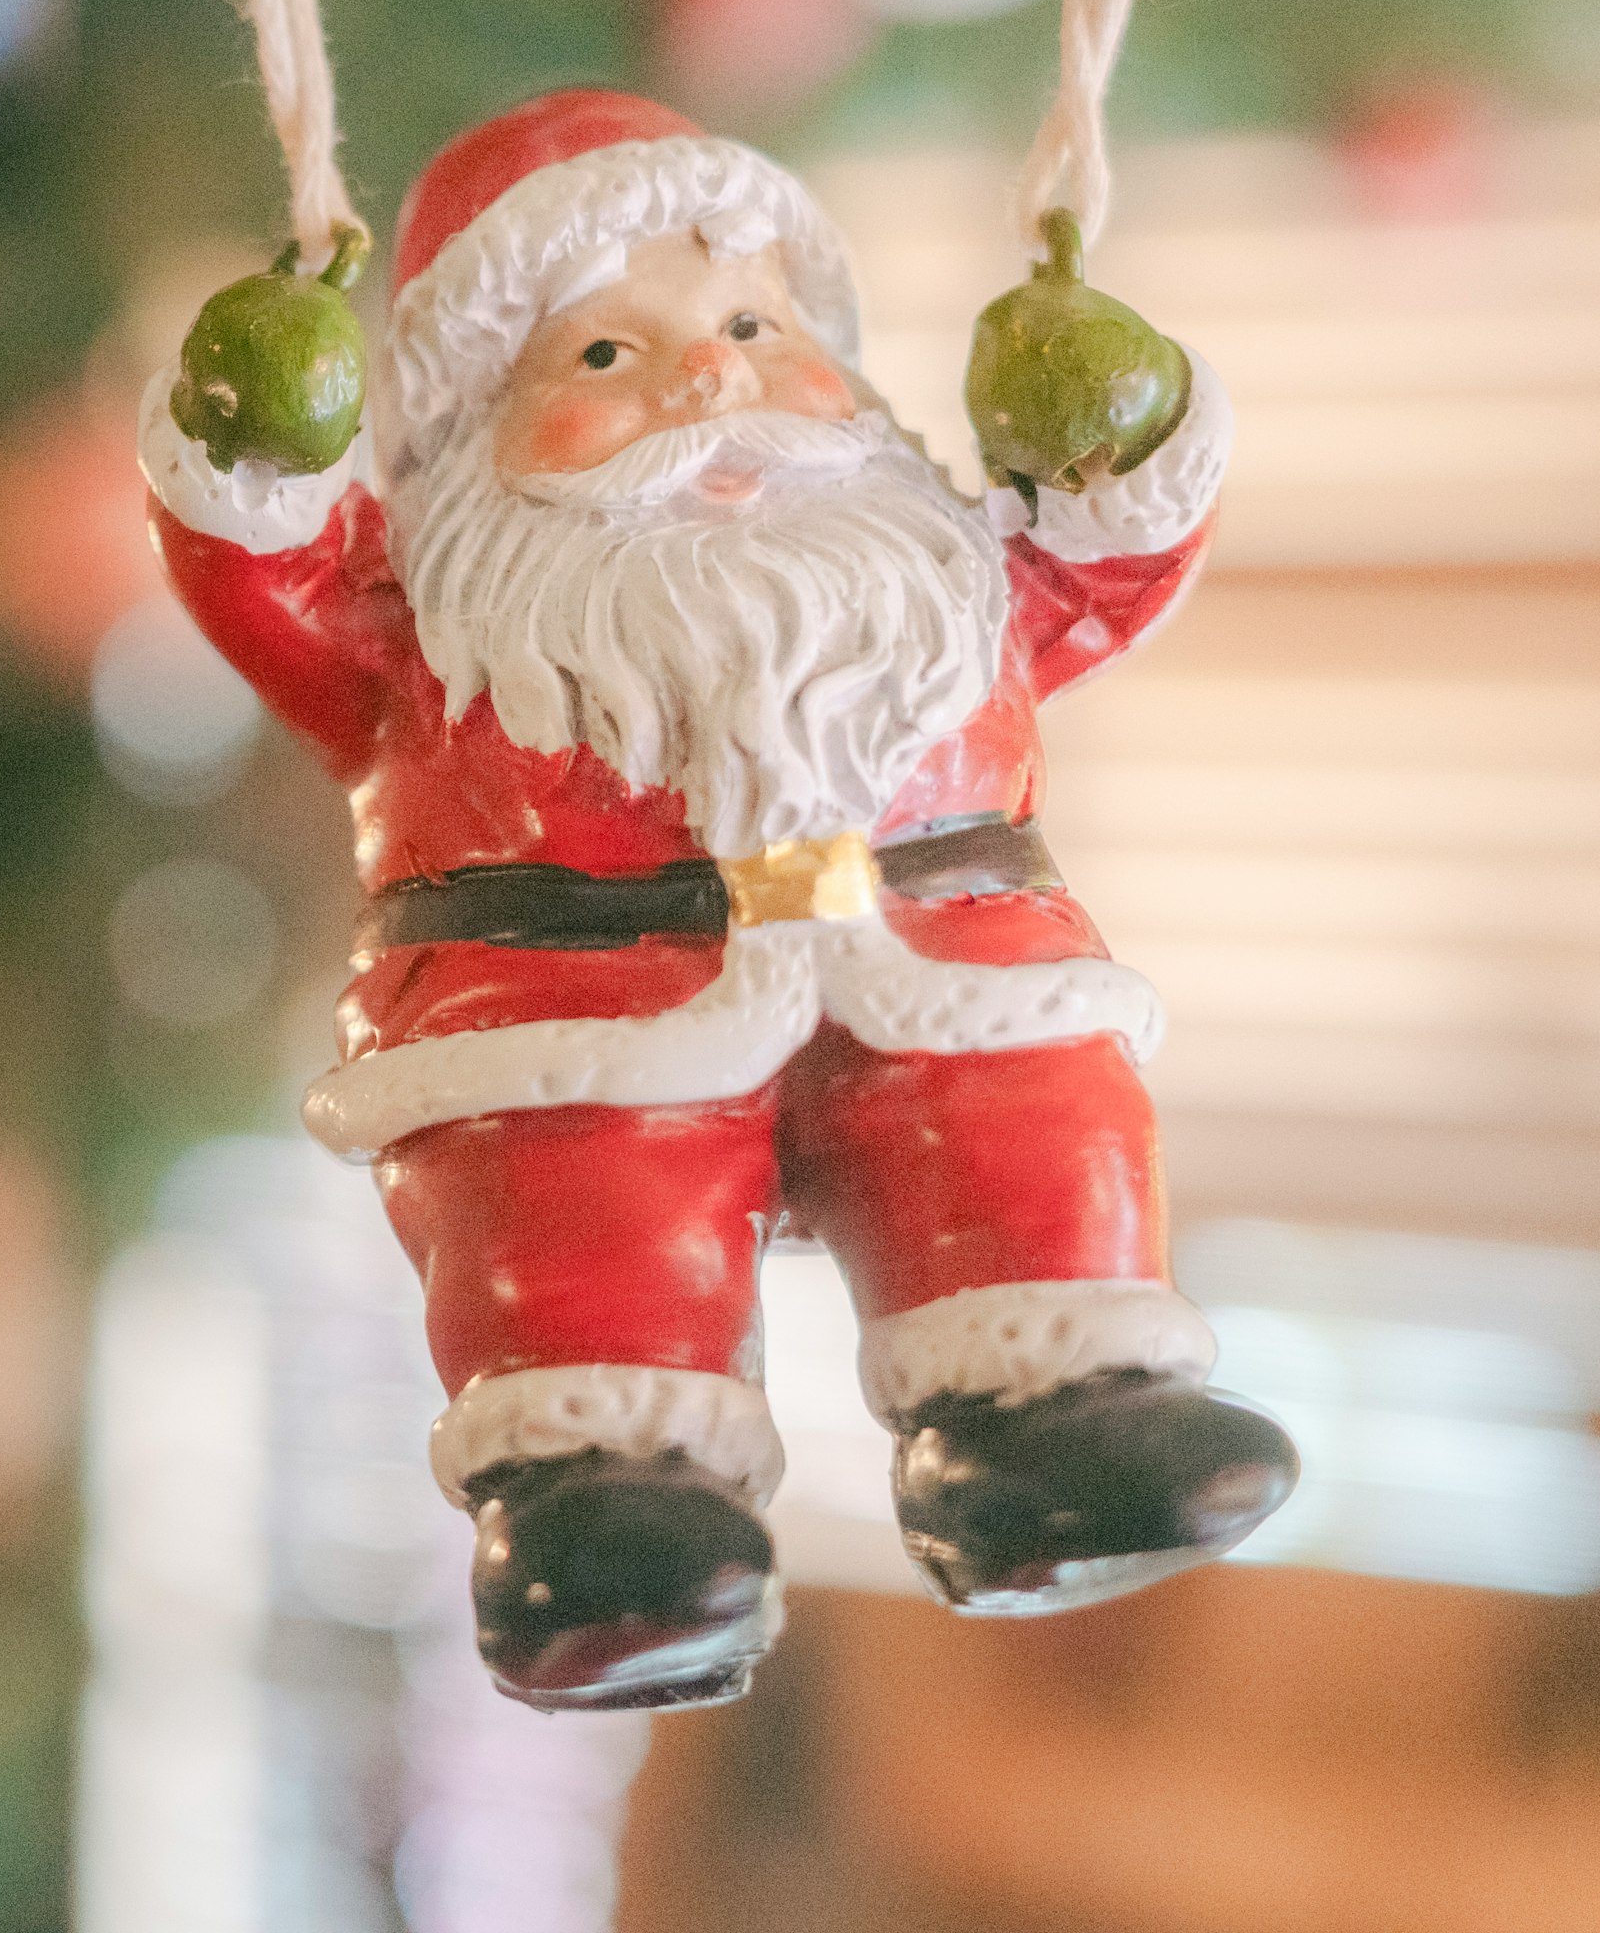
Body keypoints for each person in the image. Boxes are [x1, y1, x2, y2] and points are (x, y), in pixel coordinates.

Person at [141, 87, 1295, 1712]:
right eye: (604, 359)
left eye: (753, 323)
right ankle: (614, 1508)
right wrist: (256, 436)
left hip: (951, 966)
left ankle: (1054, 1413)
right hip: (573, 1021)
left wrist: (1123, 432)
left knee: (1033, 1133)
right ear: (477, 433)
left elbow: (1108, 561)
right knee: (577, 1224)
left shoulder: (938, 576)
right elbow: (267, 565)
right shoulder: (432, 629)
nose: (708, 375)